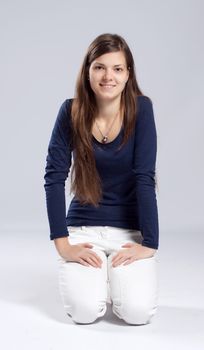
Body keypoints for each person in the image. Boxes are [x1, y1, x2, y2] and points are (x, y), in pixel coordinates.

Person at [43, 33, 160, 326]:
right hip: (83, 229)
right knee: (84, 314)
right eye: (99, 67)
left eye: (117, 69)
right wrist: (63, 245)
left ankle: (113, 277)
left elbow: (145, 177)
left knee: (137, 314)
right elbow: (54, 177)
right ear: (87, 71)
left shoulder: (142, 109)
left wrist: (151, 242)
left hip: (129, 232)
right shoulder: (70, 111)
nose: (108, 76)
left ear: (128, 74)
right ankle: (100, 278)